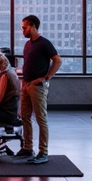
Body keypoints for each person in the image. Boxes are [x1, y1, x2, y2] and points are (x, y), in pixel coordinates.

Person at [18, 15, 61, 164]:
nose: (22, 30)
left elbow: (57, 60)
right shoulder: (27, 45)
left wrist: (47, 77)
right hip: (27, 84)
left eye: (24, 27)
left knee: (41, 119)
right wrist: (24, 81)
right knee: (25, 116)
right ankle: (28, 147)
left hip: (38, 87)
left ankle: (43, 152)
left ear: (33, 26)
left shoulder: (44, 43)